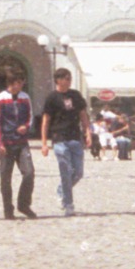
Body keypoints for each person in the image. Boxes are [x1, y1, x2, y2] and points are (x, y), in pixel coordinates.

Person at [40, 68, 90, 216]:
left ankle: (62, 189)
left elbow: (83, 115)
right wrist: (44, 143)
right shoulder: (52, 98)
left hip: (75, 138)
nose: (69, 81)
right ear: (58, 80)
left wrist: (88, 133)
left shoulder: (75, 95)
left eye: (70, 79)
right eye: (66, 79)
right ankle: (68, 204)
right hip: (59, 139)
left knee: (78, 173)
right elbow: (46, 120)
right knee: (66, 171)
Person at [0, 70, 35, 220]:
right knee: (5, 178)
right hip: (7, 143)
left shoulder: (25, 97)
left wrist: (26, 127)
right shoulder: (1, 98)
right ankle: (8, 209)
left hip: (22, 143)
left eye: (22, 82)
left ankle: (23, 204)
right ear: (11, 83)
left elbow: (30, 116)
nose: (21, 85)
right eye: (19, 82)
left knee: (29, 173)